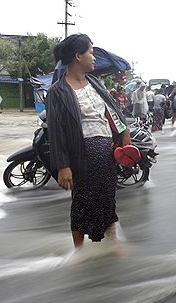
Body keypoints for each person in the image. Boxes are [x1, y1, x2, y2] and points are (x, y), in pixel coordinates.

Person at [46, 34, 131, 248]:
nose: (94, 58)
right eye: (91, 53)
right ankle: (80, 250)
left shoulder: (95, 82)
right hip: (81, 153)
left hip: (107, 150)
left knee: (108, 197)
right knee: (82, 201)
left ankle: (112, 242)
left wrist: (124, 131)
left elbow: (112, 110)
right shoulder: (58, 91)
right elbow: (56, 131)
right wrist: (63, 166)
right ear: (78, 56)